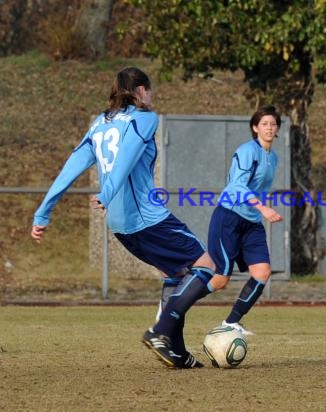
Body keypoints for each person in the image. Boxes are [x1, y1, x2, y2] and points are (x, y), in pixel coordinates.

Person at [31, 66, 216, 369]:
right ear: (140, 90)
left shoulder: (99, 124)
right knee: (208, 266)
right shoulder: (145, 118)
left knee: (176, 274)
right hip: (147, 217)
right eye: (150, 89)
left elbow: (72, 164)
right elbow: (126, 160)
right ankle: (159, 331)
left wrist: (44, 211)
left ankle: (177, 352)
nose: (152, 96)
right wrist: (106, 192)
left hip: (119, 224)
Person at [205, 105, 283, 335]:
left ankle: (231, 322)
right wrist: (263, 209)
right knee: (220, 280)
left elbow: (259, 188)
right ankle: (176, 301)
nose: (269, 128)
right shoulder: (248, 150)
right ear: (255, 127)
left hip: (250, 221)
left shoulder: (273, 157)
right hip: (229, 217)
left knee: (262, 272)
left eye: (273, 123)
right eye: (264, 124)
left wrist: (259, 210)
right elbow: (236, 186)